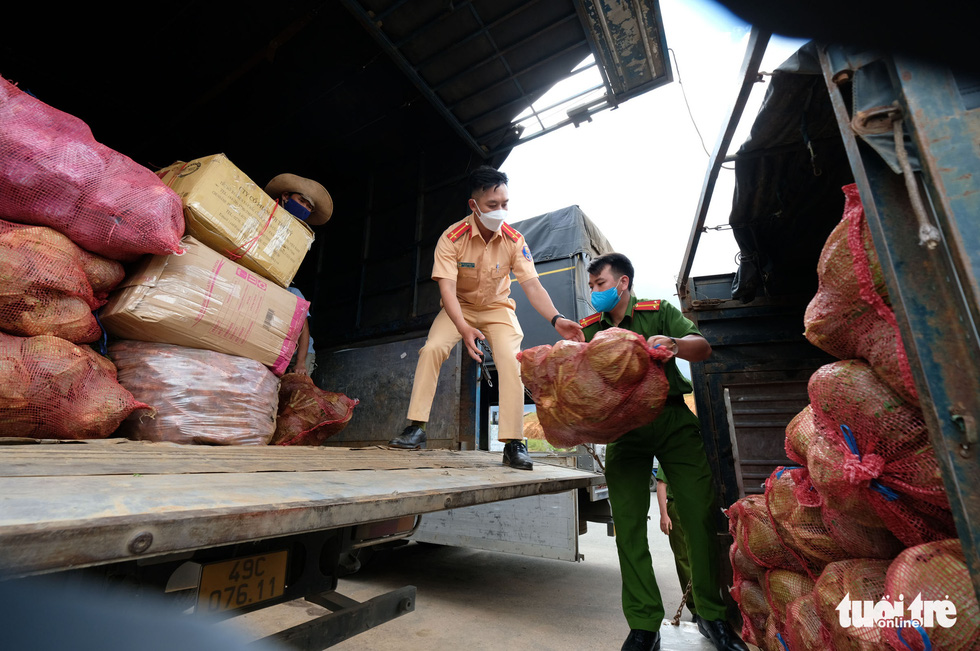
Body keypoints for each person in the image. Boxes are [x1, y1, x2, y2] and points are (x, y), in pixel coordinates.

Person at [580, 253, 747, 651]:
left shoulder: (659, 312)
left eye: (599, 285)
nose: (594, 294)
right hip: (624, 429)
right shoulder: (591, 330)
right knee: (629, 525)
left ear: (622, 283)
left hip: (672, 420)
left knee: (699, 515)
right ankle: (643, 625)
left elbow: (701, 347)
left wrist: (673, 344)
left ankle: (711, 616)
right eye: (590, 288)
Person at [388, 165, 583, 469]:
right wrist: (464, 328)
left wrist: (556, 319)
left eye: (505, 204)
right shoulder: (452, 238)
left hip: (497, 309)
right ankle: (417, 428)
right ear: (474, 205)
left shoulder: (514, 240)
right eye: (493, 205)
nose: (501, 210)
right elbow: (448, 290)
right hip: (459, 307)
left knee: (511, 360)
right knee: (433, 349)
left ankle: (514, 443)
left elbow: (532, 285)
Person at [264, 173, 334, 378]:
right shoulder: (269, 218)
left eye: (309, 207)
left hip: (297, 357)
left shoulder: (292, 293)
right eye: (301, 201)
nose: (305, 208)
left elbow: (303, 329)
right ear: (286, 196)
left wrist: (300, 362)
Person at [655, 464, 697, 623]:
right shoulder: (669, 450)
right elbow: (661, 485)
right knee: (683, 558)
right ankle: (696, 609)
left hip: (696, 506)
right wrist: (664, 515)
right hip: (677, 508)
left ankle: (707, 606)